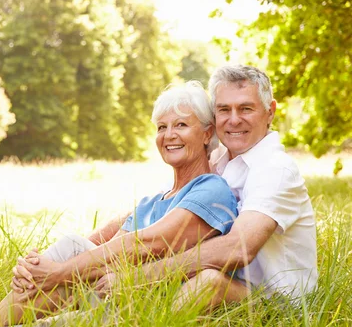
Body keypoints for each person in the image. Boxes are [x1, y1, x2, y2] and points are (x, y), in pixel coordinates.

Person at [0, 81, 239, 327]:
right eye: (161, 127)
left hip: (141, 316)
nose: (169, 135)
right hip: (108, 298)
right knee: (71, 251)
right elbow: (105, 256)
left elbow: (151, 243)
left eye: (180, 125)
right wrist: (35, 268)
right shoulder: (151, 204)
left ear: (207, 134)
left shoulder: (211, 189)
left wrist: (56, 272)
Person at [93, 65, 318, 309]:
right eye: (224, 109)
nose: (233, 119)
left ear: (270, 112)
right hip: (226, 286)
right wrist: (89, 247)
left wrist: (135, 278)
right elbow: (158, 206)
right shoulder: (216, 160)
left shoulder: (275, 169)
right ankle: (59, 319)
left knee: (208, 281)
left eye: (246, 108)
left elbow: (236, 249)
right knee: (89, 262)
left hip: (275, 303)